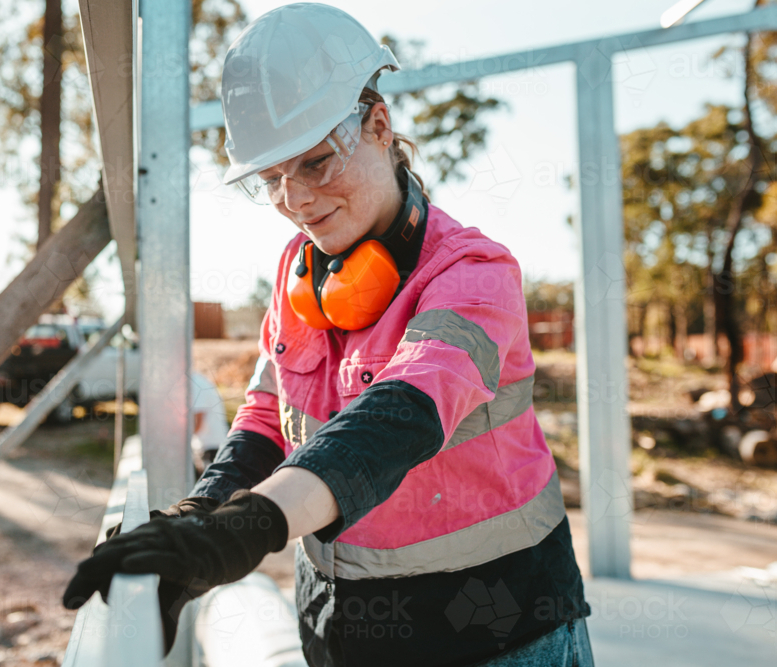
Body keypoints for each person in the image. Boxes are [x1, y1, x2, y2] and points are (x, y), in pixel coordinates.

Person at [63, 4, 593, 666]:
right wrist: (201, 514)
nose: (297, 199)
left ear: (378, 125)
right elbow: (266, 416)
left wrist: (249, 529)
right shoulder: (298, 269)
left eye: (314, 162)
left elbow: (398, 417)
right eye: (271, 178)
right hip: (341, 631)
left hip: (496, 633)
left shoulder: (473, 272)